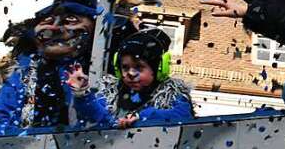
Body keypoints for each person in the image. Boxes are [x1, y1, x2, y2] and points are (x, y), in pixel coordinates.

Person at [0, 0, 101, 134]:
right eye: (50, 20)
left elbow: (100, 127)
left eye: (70, 20)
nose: (54, 28)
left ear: (93, 29)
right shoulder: (26, 70)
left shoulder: (99, 69)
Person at [65, 28, 194, 129]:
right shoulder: (110, 92)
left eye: (139, 67)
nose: (131, 73)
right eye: (125, 67)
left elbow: (182, 116)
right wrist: (82, 94)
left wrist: (142, 117)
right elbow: (97, 117)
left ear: (159, 68)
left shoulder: (173, 93)